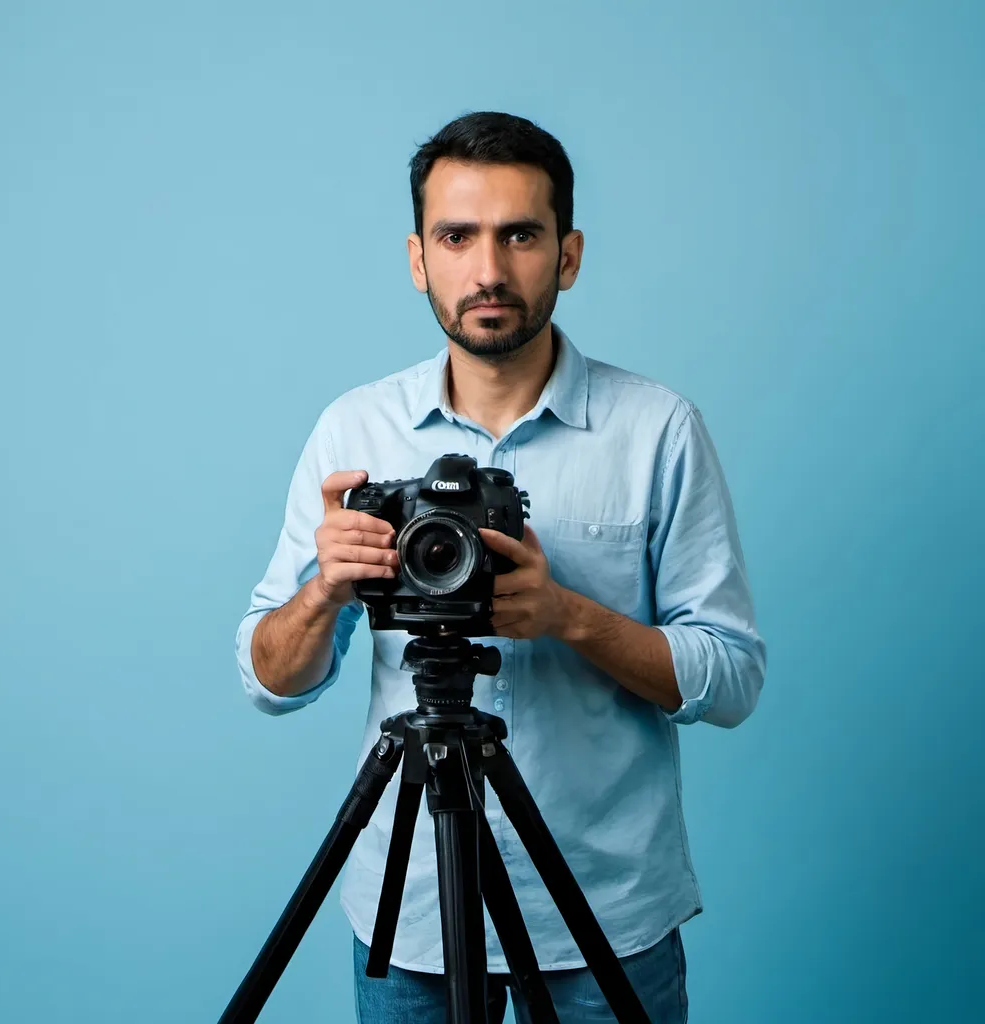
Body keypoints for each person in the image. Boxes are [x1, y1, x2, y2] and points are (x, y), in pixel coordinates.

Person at [235, 111, 766, 1024]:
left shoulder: (657, 432)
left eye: (520, 234)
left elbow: (733, 679)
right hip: (413, 925)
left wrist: (569, 616)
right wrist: (325, 587)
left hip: (608, 916)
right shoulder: (353, 432)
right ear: (418, 259)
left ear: (568, 254)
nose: (488, 270)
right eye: (458, 236)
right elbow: (266, 681)